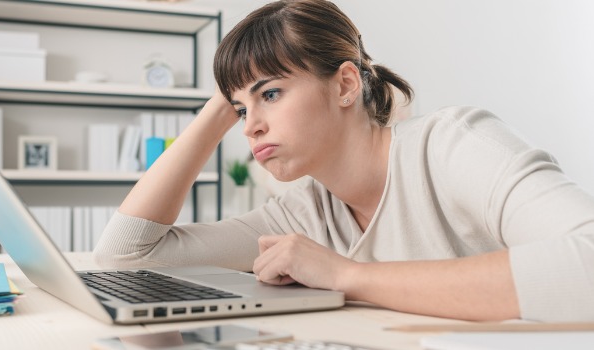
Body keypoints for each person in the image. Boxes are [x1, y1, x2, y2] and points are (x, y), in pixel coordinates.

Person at [94, 0, 594, 322]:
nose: (250, 126)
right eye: (241, 109)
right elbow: (128, 256)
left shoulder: (451, 146)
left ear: (346, 85)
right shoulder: (301, 213)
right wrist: (214, 113)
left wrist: (345, 275)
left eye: (271, 94)